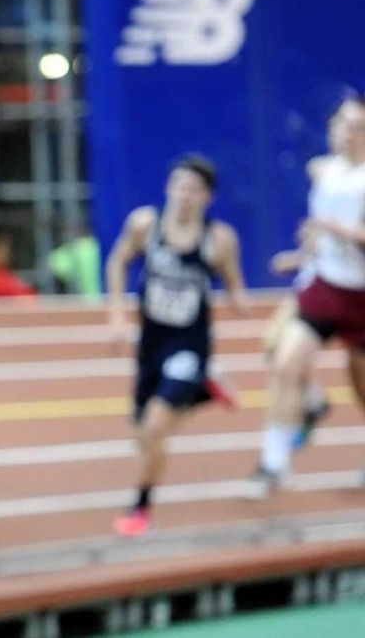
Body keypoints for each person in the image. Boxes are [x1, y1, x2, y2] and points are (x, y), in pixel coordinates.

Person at [106, 155, 249, 536]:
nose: (185, 196)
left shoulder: (217, 239)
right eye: (179, 186)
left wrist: (239, 300)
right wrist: (117, 315)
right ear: (169, 188)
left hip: (189, 345)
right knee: (141, 435)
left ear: (208, 198)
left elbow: (233, 280)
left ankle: (140, 508)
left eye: (194, 190)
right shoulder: (145, 225)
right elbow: (118, 261)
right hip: (151, 343)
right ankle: (204, 390)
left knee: (154, 430)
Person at [253, 97, 365, 497]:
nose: (348, 133)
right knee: (284, 362)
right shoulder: (324, 172)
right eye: (342, 124)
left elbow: (343, 231)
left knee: (361, 385)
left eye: (357, 126)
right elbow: (319, 232)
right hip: (325, 285)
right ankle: (273, 462)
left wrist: (337, 229)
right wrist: (301, 255)